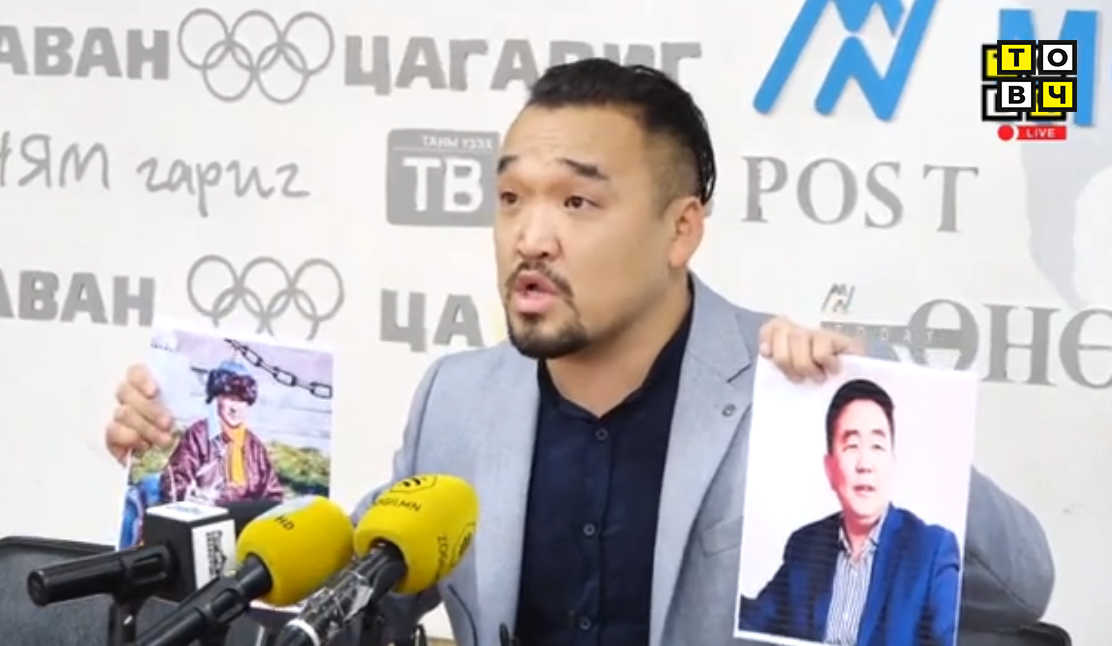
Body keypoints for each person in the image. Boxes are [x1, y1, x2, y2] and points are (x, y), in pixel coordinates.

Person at [105, 59, 1054, 646]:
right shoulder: (457, 399)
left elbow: (1022, 594)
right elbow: (358, 591)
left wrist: (889, 405)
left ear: (681, 229)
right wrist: (172, 479)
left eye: (577, 201)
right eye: (511, 198)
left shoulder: (796, 390)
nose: (531, 236)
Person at [738, 379, 960, 646]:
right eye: (852, 446)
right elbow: (751, 623)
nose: (865, 464)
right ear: (830, 468)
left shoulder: (931, 550)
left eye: (877, 447)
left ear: (893, 462)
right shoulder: (806, 546)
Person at [159, 360, 284, 505]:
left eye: (241, 400)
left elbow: (273, 495)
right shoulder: (199, 436)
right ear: (216, 399)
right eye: (230, 398)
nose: (235, 408)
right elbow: (174, 483)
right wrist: (196, 499)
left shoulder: (255, 447)